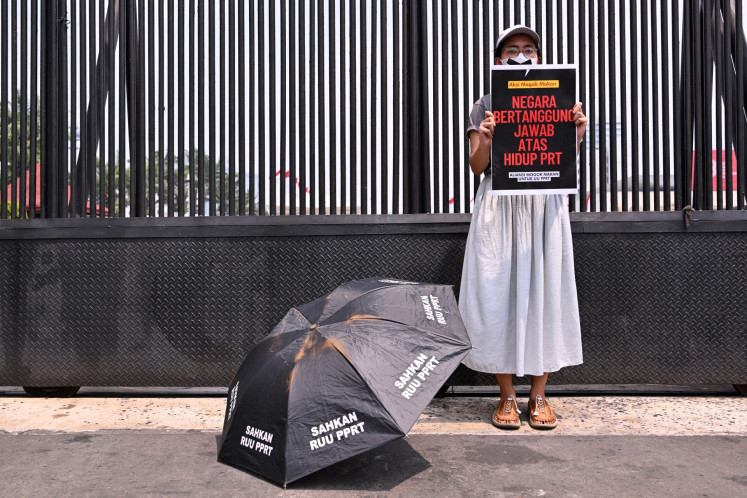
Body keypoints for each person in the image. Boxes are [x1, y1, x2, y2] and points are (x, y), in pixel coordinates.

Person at [459, 25, 587, 430]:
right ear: (499, 61)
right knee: (496, 295)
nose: (520, 55)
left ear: (539, 57)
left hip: (542, 206)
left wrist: (577, 132)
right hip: (499, 206)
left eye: (528, 49)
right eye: (511, 50)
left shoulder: (558, 99)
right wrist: (483, 137)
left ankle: (539, 394)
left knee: (544, 294)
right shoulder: (484, 104)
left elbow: (561, 160)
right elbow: (477, 167)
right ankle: (507, 395)